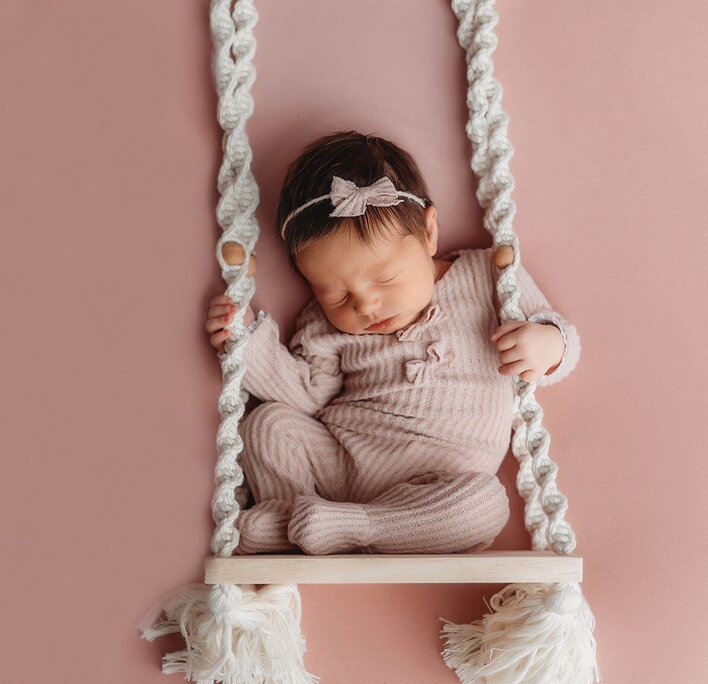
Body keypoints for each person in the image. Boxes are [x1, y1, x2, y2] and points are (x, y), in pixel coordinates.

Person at [205, 131, 579, 555]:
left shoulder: (487, 276)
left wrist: (548, 345)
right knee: (267, 424)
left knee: (485, 505)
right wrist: (247, 345)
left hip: (439, 489)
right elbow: (306, 396)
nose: (366, 305)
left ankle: (352, 527)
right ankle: (295, 519)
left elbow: (564, 340)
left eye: (385, 278)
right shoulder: (323, 324)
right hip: (344, 465)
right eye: (338, 295)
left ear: (429, 233)